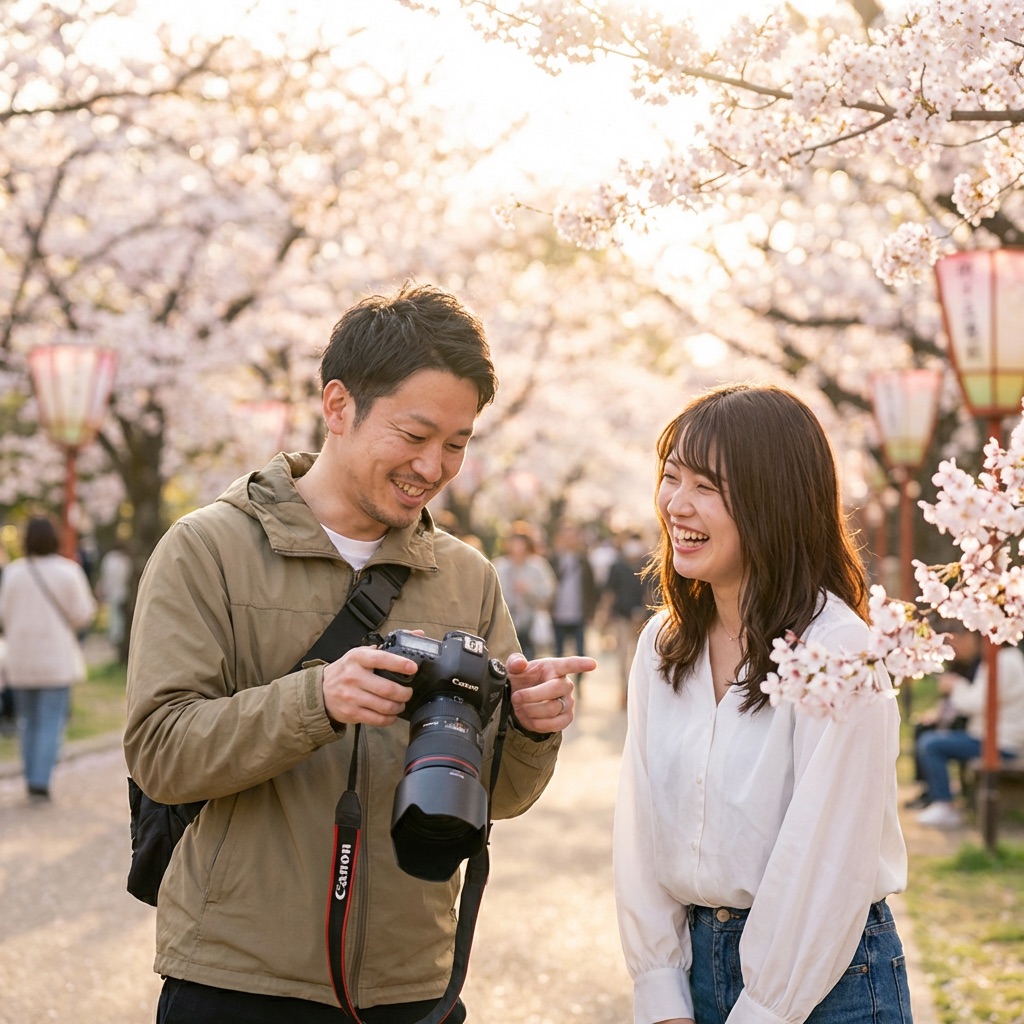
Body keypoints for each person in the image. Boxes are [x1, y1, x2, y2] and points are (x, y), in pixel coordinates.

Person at [123, 283, 596, 1024]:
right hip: (239, 977)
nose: (435, 467)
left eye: (458, 443)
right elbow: (159, 753)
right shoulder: (205, 550)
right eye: (414, 435)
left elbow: (497, 797)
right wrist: (317, 701)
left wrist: (532, 727)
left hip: (412, 985)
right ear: (338, 406)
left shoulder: (467, 577)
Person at [613, 383, 912, 1024]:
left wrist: (764, 1005)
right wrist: (660, 986)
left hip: (829, 979)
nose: (677, 506)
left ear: (774, 500)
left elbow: (829, 859)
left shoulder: (839, 652)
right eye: (671, 478)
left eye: (708, 487)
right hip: (695, 968)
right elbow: (640, 827)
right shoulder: (664, 644)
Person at [0, 515, 96, 801]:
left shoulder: (14, 573)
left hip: (20, 659)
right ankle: (41, 780)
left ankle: (31, 777)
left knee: (27, 721)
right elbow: (83, 614)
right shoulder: (68, 572)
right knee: (51, 720)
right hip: (55, 660)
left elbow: (3, 615)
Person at [915, 640, 1024, 829]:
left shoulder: (1003, 662)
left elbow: (977, 703)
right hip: (996, 737)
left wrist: (956, 686)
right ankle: (941, 799)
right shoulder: (1007, 659)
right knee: (932, 738)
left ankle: (944, 804)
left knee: (930, 744)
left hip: (1000, 742)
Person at [903, 628, 977, 811]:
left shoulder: (979, 666)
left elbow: (970, 700)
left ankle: (939, 795)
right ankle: (928, 788)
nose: (957, 646)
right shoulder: (957, 664)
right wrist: (936, 713)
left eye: (961, 640)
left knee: (929, 739)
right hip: (955, 715)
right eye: (954, 643)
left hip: (968, 721)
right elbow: (946, 700)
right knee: (921, 727)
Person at [598, 531, 655, 710]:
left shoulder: (649, 565)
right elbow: (609, 593)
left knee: (642, 657)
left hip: (643, 619)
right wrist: (604, 615)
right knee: (623, 656)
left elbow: (652, 593)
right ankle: (625, 693)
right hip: (621, 617)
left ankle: (639, 694)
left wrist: (647, 612)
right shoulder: (617, 566)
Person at [548, 520, 599, 693]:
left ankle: (579, 683)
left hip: (579, 613)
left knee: (580, 650)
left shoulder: (584, 561)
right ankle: (557, 685)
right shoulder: (554, 559)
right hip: (558, 613)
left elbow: (592, 587)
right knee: (558, 651)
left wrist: (592, 611)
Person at [96, 539, 132, 648]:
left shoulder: (109, 559)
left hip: (112, 590)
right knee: (118, 615)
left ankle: (114, 636)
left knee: (114, 614)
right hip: (122, 591)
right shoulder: (125, 560)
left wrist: (102, 588)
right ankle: (117, 637)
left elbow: (104, 576)